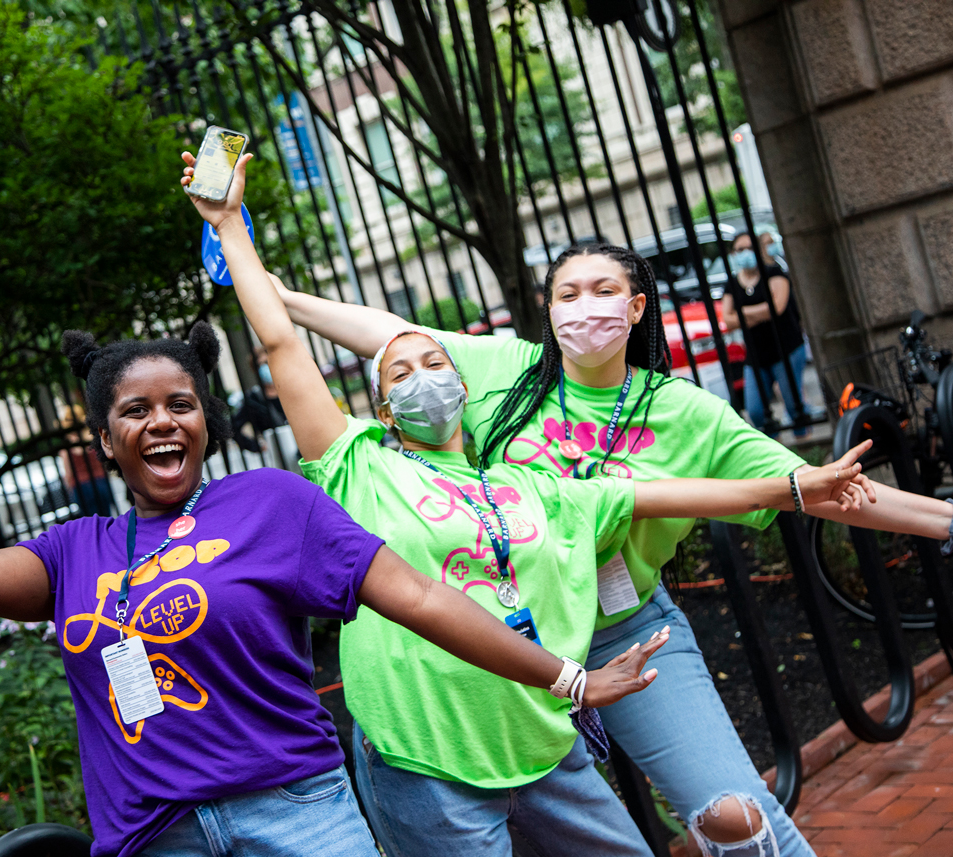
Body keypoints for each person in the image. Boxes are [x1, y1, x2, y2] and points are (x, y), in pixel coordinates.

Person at [183, 154, 875, 857]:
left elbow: (662, 492)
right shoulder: (358, 465)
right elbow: (280, 343)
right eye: (401, 370)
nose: (424, 377)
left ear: (465, 385)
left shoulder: (525, 484)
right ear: (383, 406)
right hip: (429, 760)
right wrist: (229, 224)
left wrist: (793, 486)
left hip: (539, 744)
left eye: (435, 364)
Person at [0, 320, 654, 857]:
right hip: (156, 836)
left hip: (298, 817)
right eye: (136, 410)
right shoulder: (74, 550)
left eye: (180, 404)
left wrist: (568, 676)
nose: (161, 420)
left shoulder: (272, 503)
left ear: (206, 422)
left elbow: (421, 598)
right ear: (106, 439)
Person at [722, 231, 811, 437]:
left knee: (793, 406)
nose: (745, 253)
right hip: (755, 354)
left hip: (786, 347)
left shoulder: (775, 273)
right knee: (755, 410)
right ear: (733, 254)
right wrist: (761, 311)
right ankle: (776, 447)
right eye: (740, 250)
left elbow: (776, 308)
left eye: (750, 248)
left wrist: (741, 313)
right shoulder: (732, 284)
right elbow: (728, 320)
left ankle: (806, 443)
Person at [60, 404, 117, 517]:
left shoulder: (67, 449)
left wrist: (69, 488)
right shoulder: (94, 441)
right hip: (101, 482)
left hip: (81, 487)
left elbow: (68, 474)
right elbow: (105, 463)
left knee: (91, 523)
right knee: (107, 518)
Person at [231, 347, 287, 454]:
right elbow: (233, 428)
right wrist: (256, 446)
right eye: (260, 365)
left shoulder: (291, 390)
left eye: (267, 362)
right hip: (276, 453)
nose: (265, 368)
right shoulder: (253, 399)